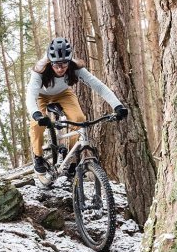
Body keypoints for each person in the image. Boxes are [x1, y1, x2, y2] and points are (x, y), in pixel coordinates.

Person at [27, 37, 128, 188]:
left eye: (64, 64)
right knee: (37, 125)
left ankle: (72, 159)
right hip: (41, 95)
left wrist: (118, 106)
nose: (61, 69)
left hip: (63, 94)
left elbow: (99, 87)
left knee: (79, 119)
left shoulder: (75, 67)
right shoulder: (40, 70)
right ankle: (38, 158)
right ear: (50, 61)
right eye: (56, 65)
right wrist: (37, 115)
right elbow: (31, 96)